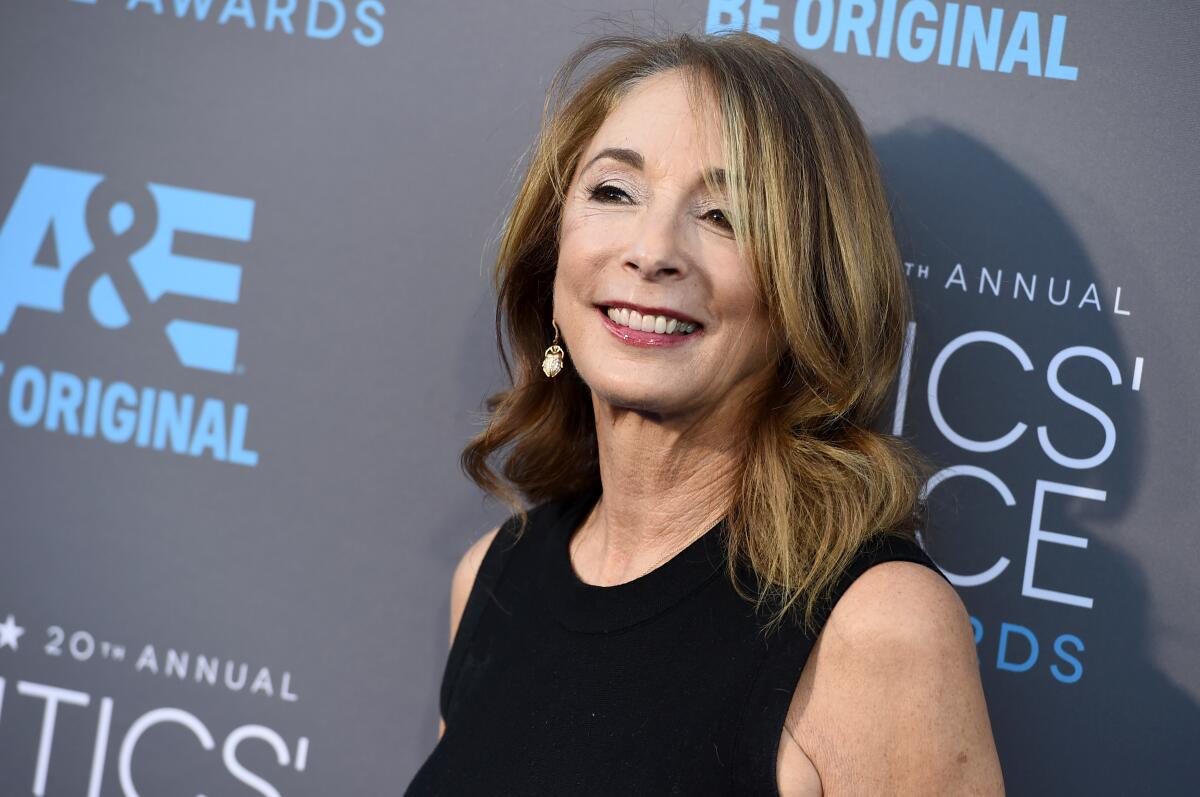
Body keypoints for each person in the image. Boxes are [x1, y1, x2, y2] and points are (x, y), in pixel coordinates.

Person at [406, 29, 1004, 796]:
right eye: (614, 192)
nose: (652, 250)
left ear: (807, 293)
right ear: (551, 249)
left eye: (726, 215)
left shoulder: (875, 626)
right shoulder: (491, 577)